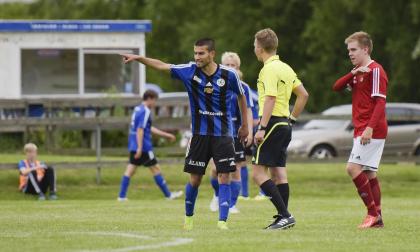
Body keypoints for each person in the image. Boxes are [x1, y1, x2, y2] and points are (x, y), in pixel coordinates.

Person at [121, 38, 248, 230]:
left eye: (201, 53)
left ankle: (223, 222)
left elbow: (241, 96)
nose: (196, 57)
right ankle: (188, 219)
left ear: (212, 54)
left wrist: (245, 125)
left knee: (224, 176)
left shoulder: (229, 74)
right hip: (199, 135)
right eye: (195, 53)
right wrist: (139, 58)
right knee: (195, 179)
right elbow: (162, 66)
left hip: (223, 135)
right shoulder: (189, 71)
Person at [252, 28, 309, 230]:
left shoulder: (268, 69)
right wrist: (291, 120)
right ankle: (282, 218)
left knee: (258, 173)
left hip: (272, 123)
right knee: (279, 174)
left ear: (259, 48)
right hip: (284, 123)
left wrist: (262, 127)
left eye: (255, 45)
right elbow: (303, 95)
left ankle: (285, 215)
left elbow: (270, 98)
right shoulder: (286, 67)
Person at [333, 31, 387, 228]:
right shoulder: (357, 71)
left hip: (370, 130)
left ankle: (372, 214)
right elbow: (336, 87)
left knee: (352, 168)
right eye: (349, 50)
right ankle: (378, 217)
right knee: (369, 173)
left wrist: (370, 128)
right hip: (362, 129)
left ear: (365, 49)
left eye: (353, 49)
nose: (350, 53)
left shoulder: (375, 71)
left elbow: (380, 103)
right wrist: (352, 74)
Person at [209, 52, 254, 214]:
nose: (229, 68)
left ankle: (231, 204)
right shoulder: (214, 84)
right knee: (215, 169)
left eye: (232, 65)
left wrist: (248, 131)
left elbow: (248, 110)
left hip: (236, 135)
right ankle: (217, 195)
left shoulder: (243, 87)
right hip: (217, 133)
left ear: (238, 68)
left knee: (236, 169)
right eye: (226, 65)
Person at [118, 90, 183, 201]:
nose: (154, 103)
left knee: (130, 170)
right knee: (155, 168)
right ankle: (168, 195)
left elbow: (147, 128)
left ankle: (122, 196)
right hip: (143, 146)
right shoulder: (145, 111)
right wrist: (140, 147)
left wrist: (166, 135)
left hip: (134, 144)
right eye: (154, 100)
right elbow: (140, 130)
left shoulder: (137, 109)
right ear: (149, 98)